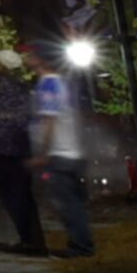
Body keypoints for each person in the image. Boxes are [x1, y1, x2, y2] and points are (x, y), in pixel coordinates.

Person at [0, 49, 47, 255]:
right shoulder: (22, 87)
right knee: (23, 194)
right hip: (20, 146)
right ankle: (33, 238)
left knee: (12, 195)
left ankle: (29, 239)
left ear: (1, 67)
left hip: (2, 148)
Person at [31, 51, 97, 257]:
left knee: (68, 204)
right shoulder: (65, 84)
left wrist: (43, 152)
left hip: (60, 153)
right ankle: (80, 243)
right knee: (74, 202)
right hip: (74, 152)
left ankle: (81, 247)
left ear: (41, 60)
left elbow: (49, 120)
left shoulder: (48, 84)